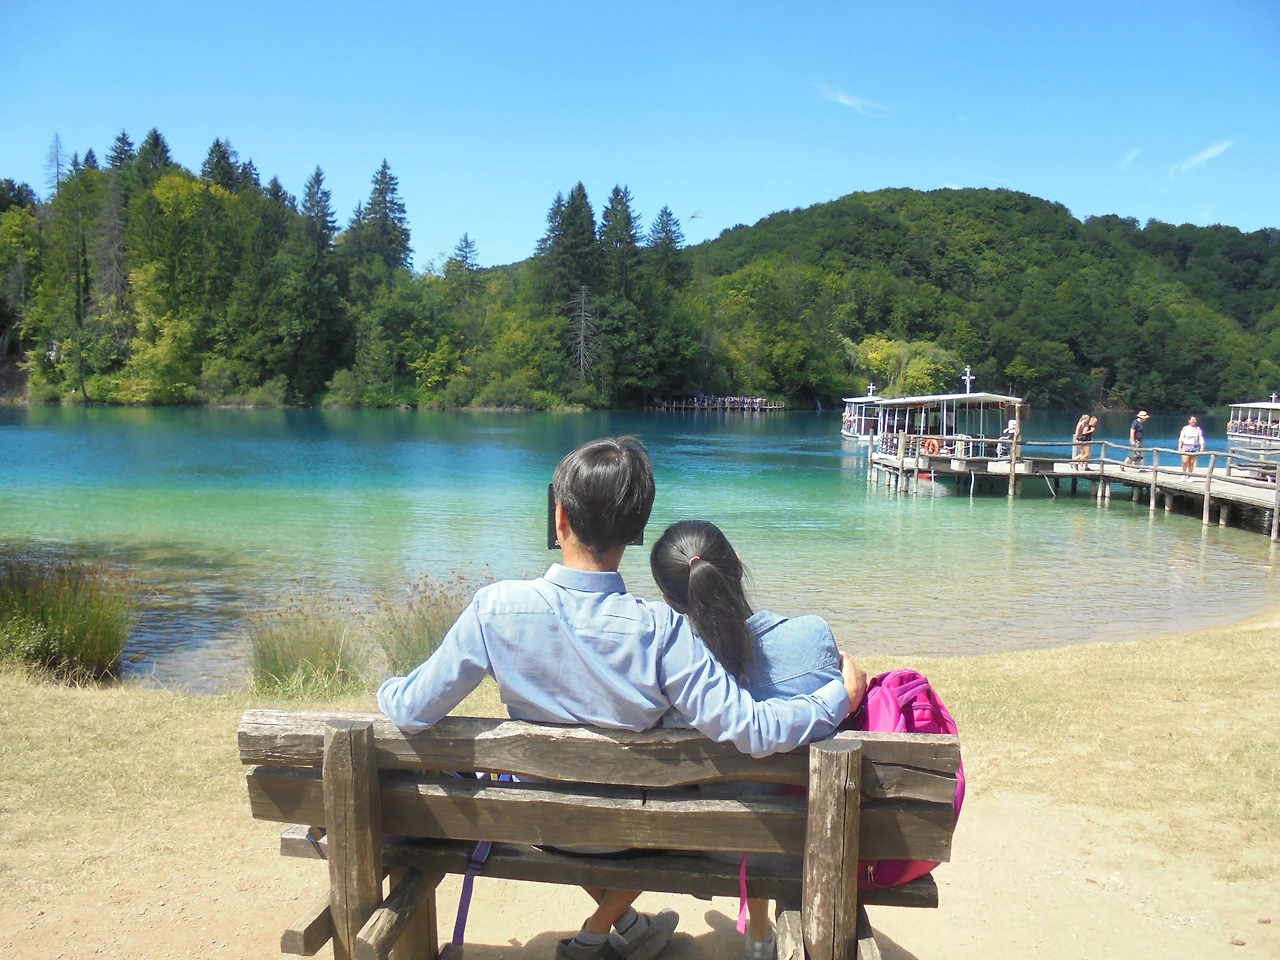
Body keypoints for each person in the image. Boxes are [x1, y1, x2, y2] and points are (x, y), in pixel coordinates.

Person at [377, 437, 868, 960]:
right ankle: (628, 927)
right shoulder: (663, 632)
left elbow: (410, 709)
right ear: (636, 533)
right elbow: (752, 728)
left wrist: (384, 685)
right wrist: (837, 696)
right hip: (636, 832)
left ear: (559, 517)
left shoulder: (495, 609)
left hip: (538, 820)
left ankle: (627, 928)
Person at [649, 520, 845, 960]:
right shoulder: (812, 635)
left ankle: (758, 932)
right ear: (738, 564)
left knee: (744, 800)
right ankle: (761, 931)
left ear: (670, 600)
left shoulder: (672, 674)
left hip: (714, 846)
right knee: (769, 799)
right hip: (807, 841)